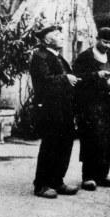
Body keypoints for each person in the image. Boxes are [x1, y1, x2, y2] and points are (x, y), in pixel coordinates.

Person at [30, 25, 80, 199]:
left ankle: (57, 181)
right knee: (50, 145)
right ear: (46, 40)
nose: (62, 37)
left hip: (64, 108)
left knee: (65, 144)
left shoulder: (59, 57)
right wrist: (65, 78)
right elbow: (43, 81)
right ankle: (41, 185)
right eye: (57, 35)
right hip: (50, 108)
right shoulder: (40, 57)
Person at [73, 27, 110, 191]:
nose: (108, 46)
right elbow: (77, 78)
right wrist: (97, 75)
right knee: (92, 137)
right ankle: (88, 176)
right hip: (91, 104)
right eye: (105, 42)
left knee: (109, 136)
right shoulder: (85, 57)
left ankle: (103, 173)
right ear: (97, 39)